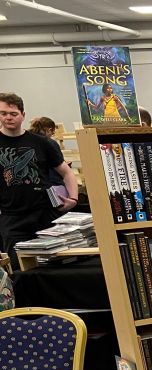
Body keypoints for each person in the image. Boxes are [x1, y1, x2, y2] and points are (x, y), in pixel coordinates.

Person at [0, 92, 78, 264]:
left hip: (44, 213)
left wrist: (73, 198)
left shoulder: (42, 143)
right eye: (3, 113)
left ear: (23, 115)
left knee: (55, 264)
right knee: (19, 267)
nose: (8, 118)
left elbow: (66, 172)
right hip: (12, 218)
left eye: (13, 114)